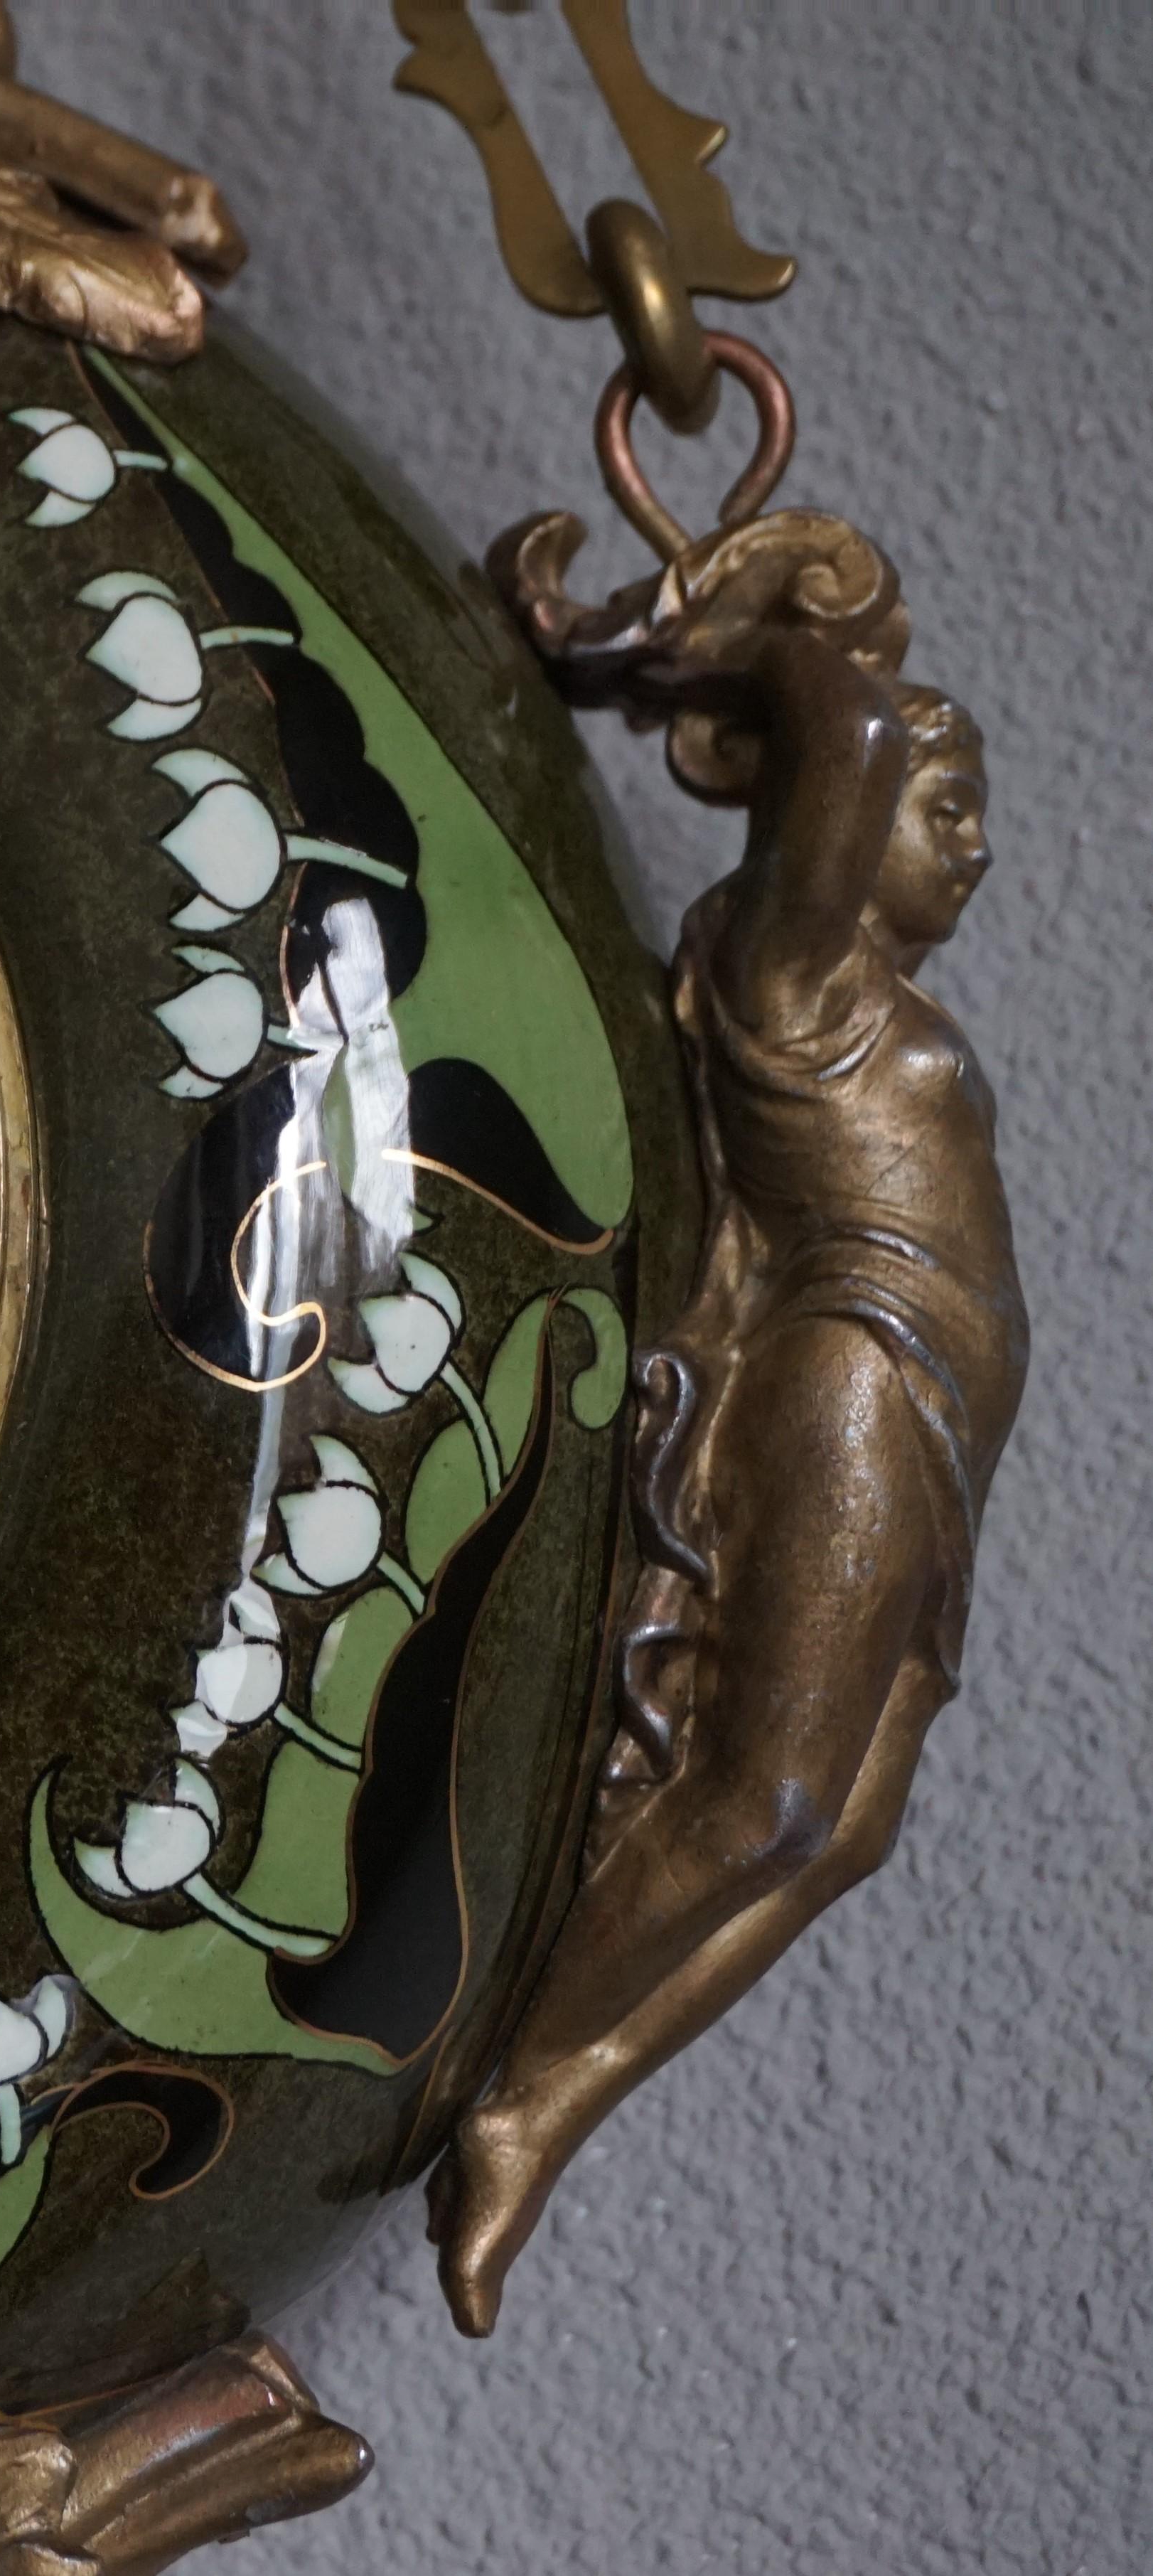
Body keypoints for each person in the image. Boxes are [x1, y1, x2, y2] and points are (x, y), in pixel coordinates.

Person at [436, 508, 1026, 2334]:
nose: (976, 846)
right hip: (845, 1381)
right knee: (761, 1791)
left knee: (842, 1830)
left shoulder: (873, 1000)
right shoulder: (793, 978)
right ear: (831, 828)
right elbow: (842, 735)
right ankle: (499, 2076)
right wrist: (730, 636)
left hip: (935, 1432)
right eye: (946, 811)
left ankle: (553, 2097)